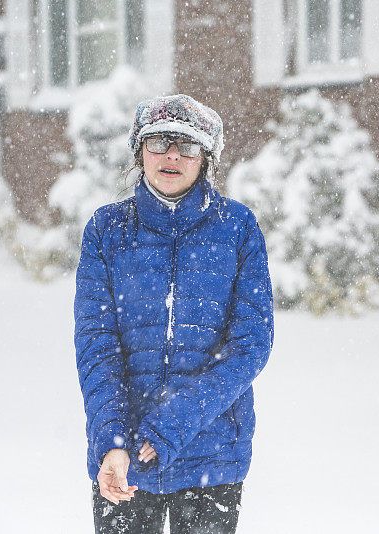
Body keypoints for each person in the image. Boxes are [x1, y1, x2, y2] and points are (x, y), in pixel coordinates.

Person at [73, 94, 275, 534]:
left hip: (213, 456)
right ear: (139, 150)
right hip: (124, 460)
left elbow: (250, 347)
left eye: (186, 145)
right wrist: (112, 441)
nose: (171, 155)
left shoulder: (238, 228)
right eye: (159, 141)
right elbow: (97, 347)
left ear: (205, 159)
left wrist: (171, 423)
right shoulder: (106, 231)